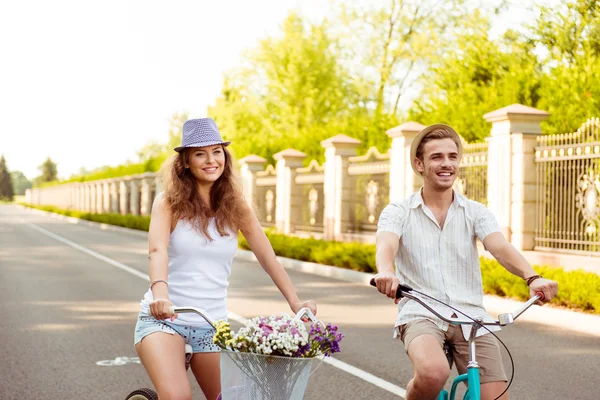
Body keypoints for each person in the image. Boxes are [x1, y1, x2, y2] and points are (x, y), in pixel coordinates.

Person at [133, 118, 317, 400]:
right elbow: (157, 250)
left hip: (210, 324)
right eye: (200, 153)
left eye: (217, 151)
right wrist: (161, 296)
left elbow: (267, 257)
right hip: (165, 320)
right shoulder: (168, 202)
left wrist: (296, 302)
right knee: (177, 396)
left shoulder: (235, 204)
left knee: (234, 398)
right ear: (185, 162)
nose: (211, 160)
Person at [372, 124, 558, 400]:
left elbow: (500, 246)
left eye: (452, 156)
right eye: (436, 157)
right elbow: (387, 243)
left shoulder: (475, 212)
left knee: (495, 397)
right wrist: (386, 272)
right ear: (419, 164)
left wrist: (532, 277)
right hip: (421, 312)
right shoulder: (399, 211)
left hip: (472, 317)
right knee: (433, 373)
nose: (447, 163)